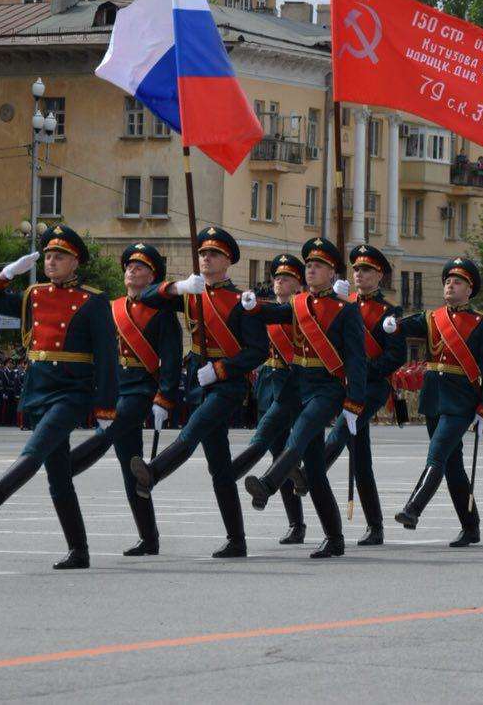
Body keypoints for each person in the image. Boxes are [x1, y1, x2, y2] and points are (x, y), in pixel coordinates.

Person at [0, 224, 119, 570]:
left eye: (59, 257)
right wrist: (7, 273)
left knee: (37, 447)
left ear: (75, 263)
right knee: (59, 477)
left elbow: (107, 357)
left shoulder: (93, 300)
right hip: (39, 388)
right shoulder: (33, 295)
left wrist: (105, 406)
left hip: (71, 391)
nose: (51, 261)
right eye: (48, 256)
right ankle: (79, 551)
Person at [128, 227, 267, 559]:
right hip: (198, 383)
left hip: (227, 384)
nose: (206, 259)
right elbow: (144, 296)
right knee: (219, 469)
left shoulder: (240, 301)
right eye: (203, 254)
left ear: (228, 261)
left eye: (214, 254)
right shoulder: (191, 293)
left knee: (191, 433)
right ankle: (237, 540)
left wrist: (221, 369)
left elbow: (257, 350)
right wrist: (177, 286)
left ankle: (154, 472)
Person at [241, 237, 365, 558]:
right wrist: (251, 305)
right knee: (314, 468)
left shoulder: (345, 310)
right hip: (300, 385)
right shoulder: (298, 306)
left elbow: (356, 361)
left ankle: (268, 484)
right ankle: (335, 537)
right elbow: (273, 315)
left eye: (318, 265)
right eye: (308, 264)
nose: (311, 269)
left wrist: (353, 403)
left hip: (328, 388)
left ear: (332, 271)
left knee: (296, 437)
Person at [66, 242, 181, 556]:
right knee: (131, 468)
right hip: (118, 387)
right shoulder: (113, 307)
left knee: (108, 431)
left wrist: (165, 398)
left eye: (141, 267)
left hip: (143, 389)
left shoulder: (162, 311)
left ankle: (68, 466)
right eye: (130, 266)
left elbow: (171, 358)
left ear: (153, 276)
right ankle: (149, 538)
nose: (133, 270)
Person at [384, 257, 483, 547]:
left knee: (436, 455)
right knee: (453, 466)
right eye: (447, 281)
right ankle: (471, 527)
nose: (450, 285)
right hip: (434, 398)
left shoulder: (482, 324)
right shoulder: (433, 318)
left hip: (461, 402)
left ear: (469, 290)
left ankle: (413, 508)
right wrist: (389, 321)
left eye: (457, 282)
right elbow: (400, 326)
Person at [321, 244, 405, 546]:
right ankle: (376, 526)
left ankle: (313, 469)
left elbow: (395, 356)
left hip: (371, 386)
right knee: (360, 459)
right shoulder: (344, 302)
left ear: (379, 275)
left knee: (343, 428)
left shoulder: (388, 312)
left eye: (366, 270)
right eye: (356, 269)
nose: (359, 274)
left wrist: (361, 370)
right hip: (348, 383)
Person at [224, 253, 307, 544]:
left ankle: (231, 473)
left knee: (274, 445)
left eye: (286, 278)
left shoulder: (303, 309)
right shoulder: (266, 310)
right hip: (268, 384)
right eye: (276, 277)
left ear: (299, 283)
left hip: (293, 384)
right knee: (278, 454)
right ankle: (295, 522)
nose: (278, 282)